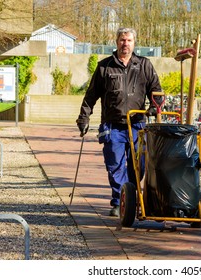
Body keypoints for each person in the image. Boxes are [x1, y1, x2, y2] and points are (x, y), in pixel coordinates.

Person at [76, 27, 162, 217]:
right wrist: (84, 118)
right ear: (117, 42)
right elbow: (91, 96)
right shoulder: (104, 66)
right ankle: (120, 201)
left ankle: (131, 200)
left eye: (129, 40)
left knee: (137, 165)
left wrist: (155, 107)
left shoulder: (144, 65)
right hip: (112, 125)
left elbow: (157, 92)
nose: (125, 44)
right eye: (122, 40)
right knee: (114, 165)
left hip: (137, 125)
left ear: (134, 43)